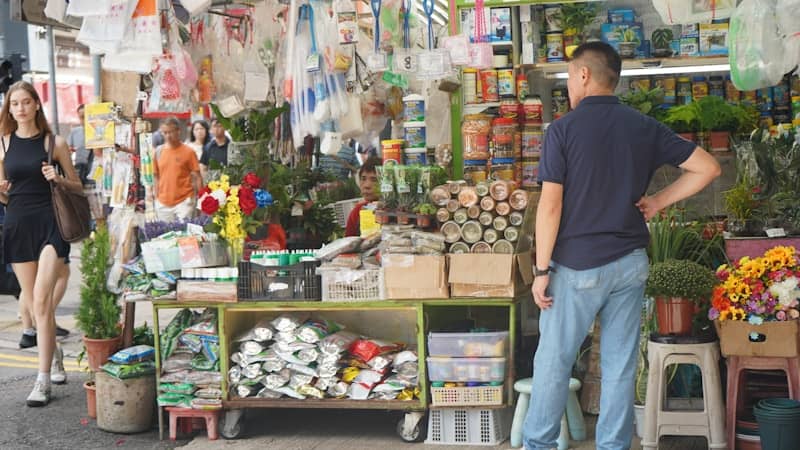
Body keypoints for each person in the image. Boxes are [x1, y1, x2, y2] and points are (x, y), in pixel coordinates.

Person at [523, 42, 721, 450]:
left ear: (582, 75)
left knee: (553, 364)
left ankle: (539, 445)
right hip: (630, 264)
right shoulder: (643, 126)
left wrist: (541, 271)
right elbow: (708, 167)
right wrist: (659, 202)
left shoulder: (562, 130)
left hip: (576, 266)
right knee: (619, 366)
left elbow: (551, 206)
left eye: (569, 79)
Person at [0, 81, 84, 406]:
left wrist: (58, 178)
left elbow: (77, 186)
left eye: (26, 102)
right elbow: (4, 195)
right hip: (18, 224)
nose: (20, 108)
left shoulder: (55, 143)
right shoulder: (3, 145)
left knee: (40, 300)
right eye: (14, 104)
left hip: (51, 223)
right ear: (10, 109)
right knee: (34, 305)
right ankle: (56, 354)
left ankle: (42, 381)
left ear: (36, 104)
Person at [153, 117, 202, 222]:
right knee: (164, 235)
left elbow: (198, 177)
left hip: (184, 201)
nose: (168, 136)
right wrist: (156, 196)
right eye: (165, 133)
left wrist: (200, 200)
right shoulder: (158, 152)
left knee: (185, 235)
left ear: (178, 131)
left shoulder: (189, 152)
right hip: (163, 202)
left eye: (170, 132)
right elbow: (156, 176)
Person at [344, 156, 380, 237]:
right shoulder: (357, 211)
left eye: (374, 180)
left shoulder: (395, 212)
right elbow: (349, 241)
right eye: (363, 179)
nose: (367, 185)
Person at [67, 104, 92, 185]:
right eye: (81, 117)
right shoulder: (75, 132)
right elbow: (67, 151)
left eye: (86, 116)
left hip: (94, 172)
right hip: (79, 170)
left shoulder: (98, 132)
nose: (84, 120)